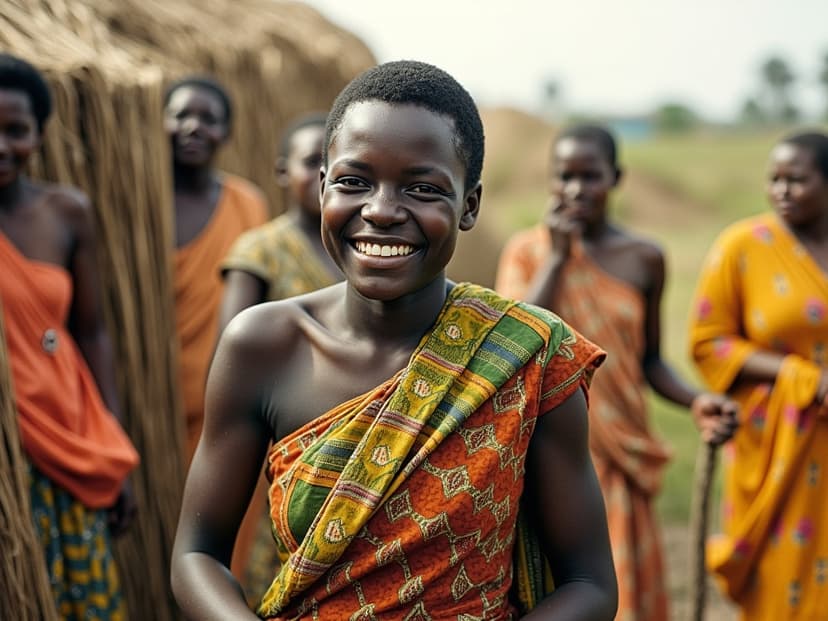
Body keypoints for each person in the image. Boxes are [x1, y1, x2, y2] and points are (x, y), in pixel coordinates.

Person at [172, 60, 618, 620]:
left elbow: (589, 583)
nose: (381, 211)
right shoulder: (263, 345)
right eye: (353, 182)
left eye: (423, 188)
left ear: (469, 205)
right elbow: (196, 554)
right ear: (322, 188)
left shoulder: (528, 354)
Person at [495, 124, 737, 621]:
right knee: (562, 583)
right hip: (553, 445)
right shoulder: (529, 251)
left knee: (623, 592)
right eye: (564, 176)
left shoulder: (644, 258)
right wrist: (558, 258)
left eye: (590, 176)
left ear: (616, 178)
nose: (576, 189)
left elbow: (649, 360)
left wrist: (696, 401)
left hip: (621, 449)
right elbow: (513, 343)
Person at [0, 53, 139, 620]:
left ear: (40, 134)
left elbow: (94, 331)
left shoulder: (66, 213)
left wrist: (112, 440)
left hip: (67, 425)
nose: (1, 146)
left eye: (16, 130)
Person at [688, 130, 828, 621]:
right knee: (778, 575)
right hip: (774, 440)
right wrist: (802, 376)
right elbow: (708, 340)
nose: (782, 191)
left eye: (798, 180)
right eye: (775, 179)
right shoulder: (742, 247)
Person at [218, 112, 343, 600]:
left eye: (330, 165)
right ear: (281, 171)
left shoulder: (363, 249)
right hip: (287, 433)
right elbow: (230, 357)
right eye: (310, 162)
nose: (320, 177)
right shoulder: (261, 251)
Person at [164, 76, 268, 464]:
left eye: (208, 118)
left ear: (225, 133)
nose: (194, 126)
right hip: (149, 396)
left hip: (224, 398)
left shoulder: (246, 204)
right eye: (180, 114)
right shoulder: (139, 211)